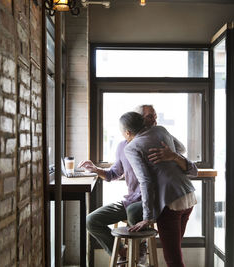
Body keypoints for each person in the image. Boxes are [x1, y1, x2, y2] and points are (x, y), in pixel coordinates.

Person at [78, 105, 187, 265]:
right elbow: (113, 174)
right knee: (91, 220)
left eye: (155, 116)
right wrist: (95, 169)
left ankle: (139, 250)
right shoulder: (123, 146)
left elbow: (181, 151)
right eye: (150, 117)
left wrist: (171, 155)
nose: (154, 120)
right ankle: (124, 253)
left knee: (133, 211)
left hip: (157, 201)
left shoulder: (160, 137)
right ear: (139, 119)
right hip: (132, 200)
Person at [121, 111, 198, 267]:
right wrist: (171, 154)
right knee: (175, 252)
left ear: (127, 132)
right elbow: (181, 148)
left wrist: (147, 217)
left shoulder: (131, 147)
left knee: (173, 259)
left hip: (170, 202)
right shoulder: (161, 130)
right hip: (188, 196)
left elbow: (145, 181)